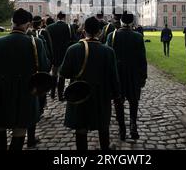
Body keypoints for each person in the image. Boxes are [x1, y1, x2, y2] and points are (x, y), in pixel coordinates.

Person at [0, 9, 49, 150]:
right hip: (25, 93)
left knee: (0, 126)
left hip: (0, 92)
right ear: (28, 25)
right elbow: (44, 68)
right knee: (20, 129)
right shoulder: (36, 43)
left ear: (12, 22)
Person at [60, 17, 120, 150]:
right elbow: (113, 78)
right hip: (101, 94)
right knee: (103, 125)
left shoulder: (73, 49)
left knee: (81, 127)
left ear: (84, 30)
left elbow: (64, 73)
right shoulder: (108, 51)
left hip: (79, 93)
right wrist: (116, 96)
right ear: (99, 32)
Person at [106, 12, 147, 141]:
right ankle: (133, 125)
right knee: (134, 101)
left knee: (118, 102)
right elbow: (142, 59)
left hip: (118, 75)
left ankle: (122, 129)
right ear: (132, 23)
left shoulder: (111, 36)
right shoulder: (138, 37)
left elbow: (108, 59)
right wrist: (143, 76)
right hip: (134, 74)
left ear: (121, 22)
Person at [46, 11, 74, 101]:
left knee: (54, 74)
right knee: (62, 75)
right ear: (64, 17)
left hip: (53, 54)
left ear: (57, 17)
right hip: (64, 54)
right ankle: (60, 95)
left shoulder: (49, 27)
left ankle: (53, 93)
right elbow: (72, 41)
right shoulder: (68, 27)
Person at [30, 16, 54, 118]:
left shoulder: (29, 33)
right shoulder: (44, 32)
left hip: (32, 64)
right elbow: (49, 47)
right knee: (42, 85)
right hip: (43, 61)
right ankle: (40, 109)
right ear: (40, 23)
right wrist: (50, 61)